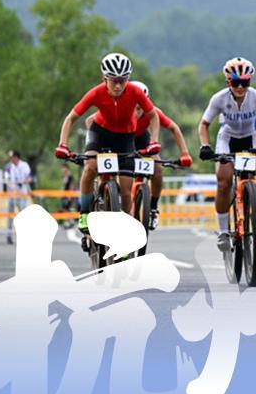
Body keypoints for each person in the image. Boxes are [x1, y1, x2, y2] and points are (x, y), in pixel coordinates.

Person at [55, 52, 160, 250]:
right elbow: (71, 118)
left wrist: (154, 142)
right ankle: (84, 213)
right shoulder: (96, 93)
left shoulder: (135, 92)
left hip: (125, 137)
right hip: (100, 132)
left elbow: (153, 116)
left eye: (123, 80)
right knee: (90, 167)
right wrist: (63, 144)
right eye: (114, 81)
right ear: (105, 79)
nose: (118, 86)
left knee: (127, 191)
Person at [198, 57, 256, 252]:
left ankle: (252, 217)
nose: (240, 87)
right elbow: (204, 124)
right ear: (228, 82)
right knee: (223, 182)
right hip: (227, 140)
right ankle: (223, 231)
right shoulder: (219, 99)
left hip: (251, 139)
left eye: (245, 83)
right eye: (235, 83)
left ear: (250, 82)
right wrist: (205, 145)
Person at [96, 80, 193, 230]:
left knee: (157, 168)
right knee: (111, 170)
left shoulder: (153, 112)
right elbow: (92, 121)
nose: (137, 111)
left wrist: (185, 153)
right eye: (133, 107)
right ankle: (105, 197)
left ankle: (153, 208)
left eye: (141, 107)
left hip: (141, 139)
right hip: (119, 138)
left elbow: (174, 128)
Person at [59, 163, 78, 228]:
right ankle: (68, 221)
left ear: (67, 168)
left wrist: (70, 195)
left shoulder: (70, 176)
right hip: (64, 195)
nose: (63, 170)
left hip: (68, 195)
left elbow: (71, 186)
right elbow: (63, 186)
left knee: (67, 208)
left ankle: (69, 221)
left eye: (64, 168)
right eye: (62, 168)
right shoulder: (63, 176)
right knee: (64, 208)